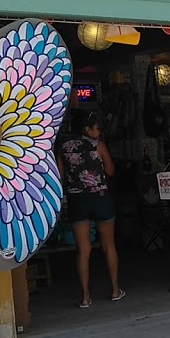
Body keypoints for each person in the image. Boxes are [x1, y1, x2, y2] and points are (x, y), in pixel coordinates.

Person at [56, 111, 123, 308]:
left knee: (83, 250)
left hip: (77, 200)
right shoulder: (98, 146)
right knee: (108, 246)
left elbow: (60, 176)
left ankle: (85, 297)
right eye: (97, 129)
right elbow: (110, 170)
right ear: (87, 129)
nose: (99, 132)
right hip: (100, 198)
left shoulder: (63, 148)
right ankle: (115, 290)